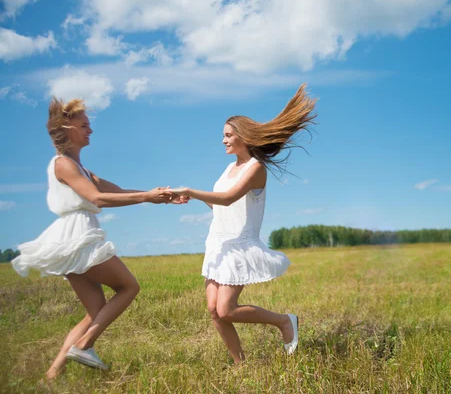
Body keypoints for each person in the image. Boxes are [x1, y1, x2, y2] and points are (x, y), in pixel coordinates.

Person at [11, 97, 185, 379]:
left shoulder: (82, 169)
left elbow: (114, 190)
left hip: (70, 238)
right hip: (78, 236)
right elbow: (96, 197)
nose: (90, 130)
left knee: (95, 310)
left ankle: (52, 375)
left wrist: (158, 197)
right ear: (67, 129)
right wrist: (147, 197)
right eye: (84, 125)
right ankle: (84, 345)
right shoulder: (63, 164)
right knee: (129, 287)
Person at [170, 83, 317, 364]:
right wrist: (198, 199)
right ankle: (241, 364)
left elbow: (227, 198)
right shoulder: (229, 167)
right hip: (218, 242)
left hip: (239, 244)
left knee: (225, 309)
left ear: (244, 137)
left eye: (228, 135)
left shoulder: (255, 169)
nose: (223, 141)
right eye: (223, 136)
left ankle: (285, 321)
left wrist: (190, 190)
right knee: (214, 311)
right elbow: (221, 205)